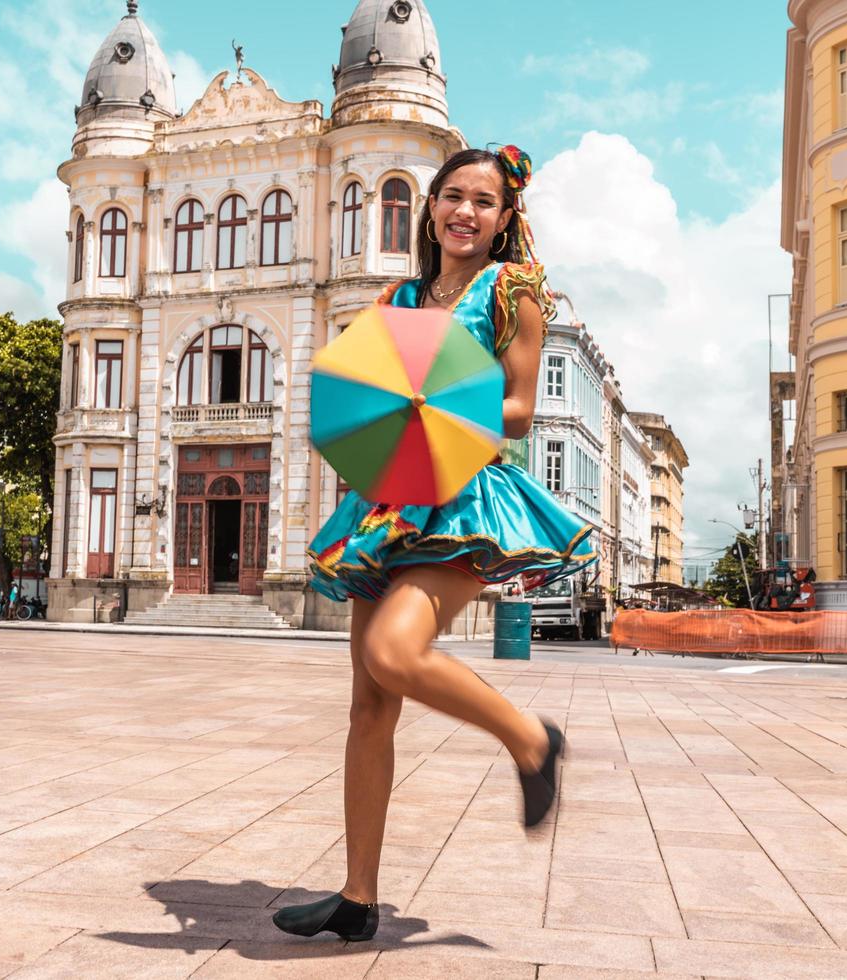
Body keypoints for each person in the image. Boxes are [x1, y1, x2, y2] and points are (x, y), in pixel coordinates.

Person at [275, 146, 598, 944]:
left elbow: (520, 406)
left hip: (466, 497)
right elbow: (375, 381)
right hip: (388, 500)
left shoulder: (516, 290)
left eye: (483, 201)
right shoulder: (402, 295)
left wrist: (442, 396)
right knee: (368, 706)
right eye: (452, 196)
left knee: (394, 651)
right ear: (431, 209)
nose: (465, 212)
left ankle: (530, 738)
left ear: (506, 216)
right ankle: (356, 897)